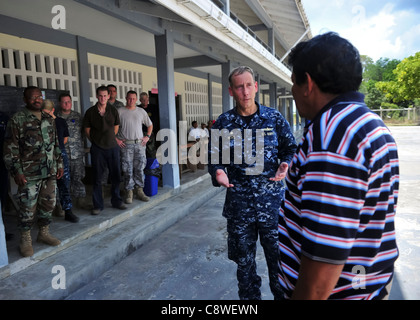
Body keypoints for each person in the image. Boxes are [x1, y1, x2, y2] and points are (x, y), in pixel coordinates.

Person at [277, 32, 399, 300]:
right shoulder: (372, 124)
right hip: (366, 286)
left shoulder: (333, 134)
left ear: (307, 83)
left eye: (293, 85)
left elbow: (322, 268)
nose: (294, 94)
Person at [208, 66, 297, 300]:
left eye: (249, 85)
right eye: (239, 86)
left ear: (255, 87)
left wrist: (286, 163)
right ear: (231, 91)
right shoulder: (223, 123)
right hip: (240, 209)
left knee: (281, 270)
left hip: (273, 208)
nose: (245, 91)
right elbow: (214, 158)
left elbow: (290, 148)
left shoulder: (274, 118)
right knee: (245, 271)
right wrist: (218, 172)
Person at [3, 86, 63, 257]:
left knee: (48, 203)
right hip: (29, 173)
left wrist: (59, 164)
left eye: (39, 96)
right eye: (32, 97)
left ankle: (43, 233)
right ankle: (25, 239)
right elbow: (10, 150)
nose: (37, 100)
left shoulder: (48, 118)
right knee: (27, 207)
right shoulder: (17, 120)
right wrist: (17, 172)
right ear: (25, 100)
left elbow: (56, 144)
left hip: (49, 171)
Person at [82, 85, 126, 215]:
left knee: (116, 176)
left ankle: (116, 200)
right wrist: (96, 141)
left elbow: (116, 127)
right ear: (97, 96)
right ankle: (98, 205)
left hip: (113, 147)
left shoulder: (113, 110)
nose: (102, 98)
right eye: (100, 96)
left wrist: (110, 138)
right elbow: (87, 131)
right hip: (98, 149)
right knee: (97, 178)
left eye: (105, 96)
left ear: (108, 96)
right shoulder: (90, 112)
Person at [43, 100, 79, 223]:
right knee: (47, 185)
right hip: (45, 156)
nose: (45, 114)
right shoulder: (41, 123)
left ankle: (68, 210)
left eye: (47, 112)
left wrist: (56, 148)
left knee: (64, 182)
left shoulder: (60, 121)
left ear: (52, 110)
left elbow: (65, 138)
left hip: (60, 153)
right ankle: (51, 211)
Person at [116, 91, 153, 203]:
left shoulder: (141, 111)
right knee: (127, 169)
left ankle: (140, 190)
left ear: (136, 99)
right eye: (129, 98)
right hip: (126, 144)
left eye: (133, 98)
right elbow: (114, 127)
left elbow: (150, 125)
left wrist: (147, 136)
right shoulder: (120, 111)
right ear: (126, 98)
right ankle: (129, 192)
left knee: (140, 168)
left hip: (139, 144)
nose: (131, 100)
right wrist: (116, 139)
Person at [56, 93, 90, 209]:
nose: (67, 104)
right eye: (64, 102)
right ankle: (63, 205)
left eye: (69, 101)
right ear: (60, 103)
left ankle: (80, 200)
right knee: (62, 181)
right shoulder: (55, 117)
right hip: (62, 154)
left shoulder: (78, 116)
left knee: (78, 177)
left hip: (77, 153)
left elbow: (84, 133)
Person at [138, 92, 159, 158]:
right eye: (143, 99)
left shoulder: (153, 108)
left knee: (151, 150)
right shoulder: (137, 109)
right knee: (141, 150)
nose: (145, 101)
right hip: (140, 133)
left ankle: (152, 165)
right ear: (140, 100)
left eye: (146, 99)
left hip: (150, 133)